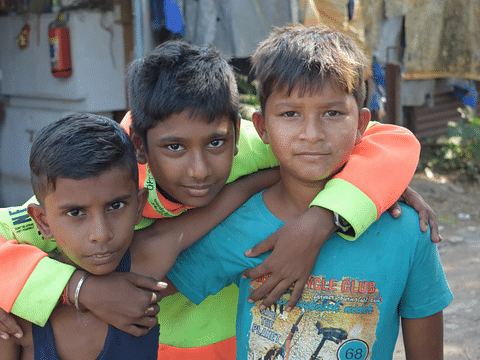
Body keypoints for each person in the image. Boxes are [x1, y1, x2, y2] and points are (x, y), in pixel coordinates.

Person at [0, 40, 436, 359]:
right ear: (142, 148)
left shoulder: (259, 146)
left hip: (231, 341)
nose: (198, 169)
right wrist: (64, 286)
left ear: (238, 133)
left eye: (217, 144)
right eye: (173, 149)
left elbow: (388, 143)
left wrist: (337, 205)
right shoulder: (111, 184)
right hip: (146, 338)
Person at [166, 25, 453, 359]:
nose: (312, 134)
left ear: (361, 124)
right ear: (262, 128)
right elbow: (148, 290)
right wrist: (89, 288)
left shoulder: (405, 230)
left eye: (332, 113)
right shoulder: (237, 229)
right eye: (290, 114)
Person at [0, 112, 276, 360]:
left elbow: (233, 196)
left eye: (115, 206)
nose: (101, 235)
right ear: (42, 220)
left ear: (139, 206)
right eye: (76, 213)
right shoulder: (12, 308)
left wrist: (311, 204)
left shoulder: (147, 257)